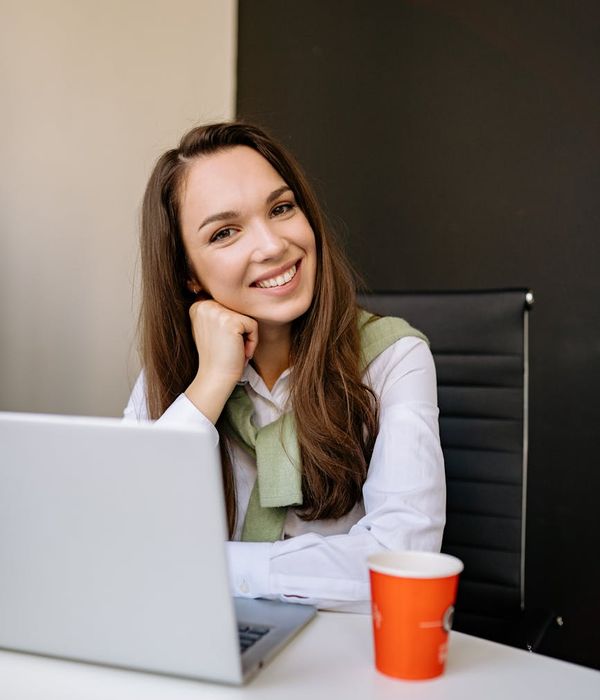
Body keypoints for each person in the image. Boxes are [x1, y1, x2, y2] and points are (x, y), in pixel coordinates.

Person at [124, 121, 445, 612]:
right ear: (188, 272)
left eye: (281, 208)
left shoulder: (392, 358)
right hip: (201, 638)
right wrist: (211, 383)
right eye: (225, 232)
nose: (272, 245)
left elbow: (402, 556)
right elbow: (124, 534)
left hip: (341, 652)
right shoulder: (176, 377)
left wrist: (212, 566)